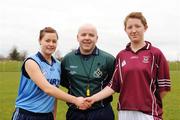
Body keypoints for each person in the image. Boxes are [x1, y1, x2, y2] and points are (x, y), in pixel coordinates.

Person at [86, 12, 171, 120]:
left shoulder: (156, 54)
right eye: (129, 27)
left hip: (148, 113)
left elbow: (164, 89)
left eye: (137, 26)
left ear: (145, 28)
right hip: (124, 112)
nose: (133, 30)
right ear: (125, 30)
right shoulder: (121, 55)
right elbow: (113, 85)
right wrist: (93, 98)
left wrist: (146, 103)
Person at [12, 27, 89, 120]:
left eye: (54, 41)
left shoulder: (58, 65)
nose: (51, 44)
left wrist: (54, 116)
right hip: (27, 114)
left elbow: (54, 93)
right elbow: (48, 89)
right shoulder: (31, 62)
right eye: (47, 41)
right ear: (40, 41)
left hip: (47, 115)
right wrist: (76, 100)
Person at [61, 24, 115, 120]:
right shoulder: (67, 59)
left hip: (102, 112)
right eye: (83, 34)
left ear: (96, 38)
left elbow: (114, 85)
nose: (87, 38)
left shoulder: (109, 59)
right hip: (75, 113)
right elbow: (64, 82)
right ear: (77, 37)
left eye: (91, 35)